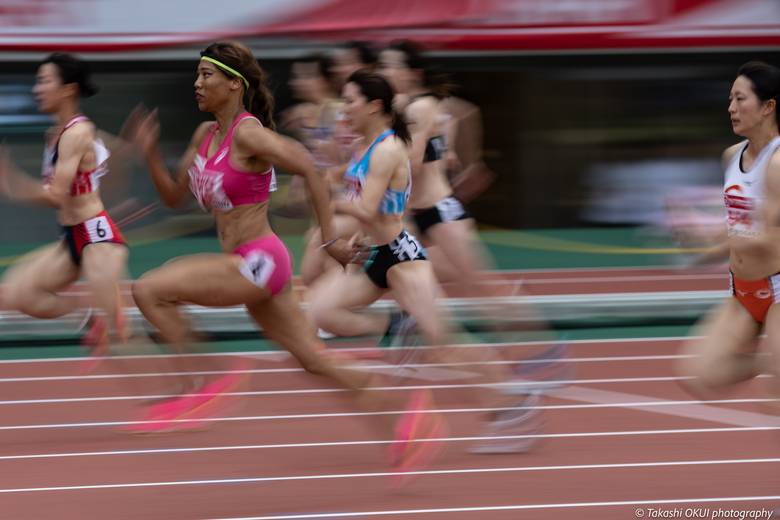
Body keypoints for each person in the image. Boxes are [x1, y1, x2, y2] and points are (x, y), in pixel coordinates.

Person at [131, 42, 442, 488]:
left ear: (234, 83)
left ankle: (208, 381)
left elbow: (311, 170)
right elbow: (175, 196)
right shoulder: (205, 137)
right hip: (245, 264)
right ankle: (408, 417)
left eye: (206, 75)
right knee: (314, 361)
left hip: (259, 260)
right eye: (196, 76)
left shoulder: (248, 134)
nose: (197, 84)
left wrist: (331, 240)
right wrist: (149, 152)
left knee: (150, 288)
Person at [308, 71, 542, 455]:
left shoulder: (387, 148)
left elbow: (367, 208)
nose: (343, 109)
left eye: (349, 101)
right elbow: (364, 209)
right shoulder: (361, 146)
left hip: (402, 258)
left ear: (374, 106)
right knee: (321, 311)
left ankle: (513, 403)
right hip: (373, 254)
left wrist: (324, 194)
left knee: (445, 342)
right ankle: (396, 325)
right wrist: (347, 238)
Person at [0, 53, 132, 375]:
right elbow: (114, 154)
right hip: (70, 237)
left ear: (68, 89)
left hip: (94, 236)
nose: (36, 89)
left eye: (44, 81)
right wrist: (118, 197)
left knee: (127, 339)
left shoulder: (77, 133)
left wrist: (11, 181)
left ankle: (184, 389)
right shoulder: (56, 134)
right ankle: (91, 320)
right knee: (21, 293)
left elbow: (56, 194)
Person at [676, 61, 780, 402]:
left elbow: (766, 236)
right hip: (744, 292)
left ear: (768, 106)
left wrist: (720, 238)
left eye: (740, 99)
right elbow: (735, 227)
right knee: (699, 375)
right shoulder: (731, 157)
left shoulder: (778, 163)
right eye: (730, 99)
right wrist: (699, 248)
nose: (731, 108)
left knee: (774, 399)